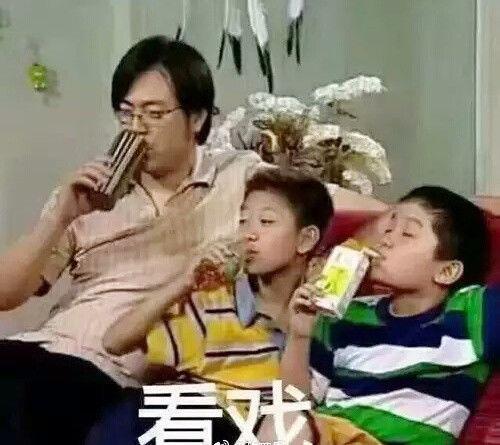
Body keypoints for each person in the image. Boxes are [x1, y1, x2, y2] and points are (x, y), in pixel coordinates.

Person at [0, 35, 386, 444]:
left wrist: (406, 228)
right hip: (38, 351)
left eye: (154, 114)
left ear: (197, 119)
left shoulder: (240, 177)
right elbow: (7, 296)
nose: (136, 128)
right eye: (126, 113)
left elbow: (354, 211)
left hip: (108, 374)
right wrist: (59, 218)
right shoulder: (88, 194)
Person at [85, 167, 333, 444]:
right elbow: (115, 341)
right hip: (179, 416)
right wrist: (185, 281)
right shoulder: (217, 300)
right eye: (243, 221)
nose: (249, 234)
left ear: (306, 239)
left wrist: (299, 336)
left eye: (266, 222)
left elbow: (294, 410)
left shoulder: (320, 320)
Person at [278, 185, 495, 445]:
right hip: (328, 433)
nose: (386, 240)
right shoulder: (347, 314)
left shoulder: (469, 312)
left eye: (407, 234)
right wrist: (299, 336)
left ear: (447, 271)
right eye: (388, 229)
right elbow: (293, 404)